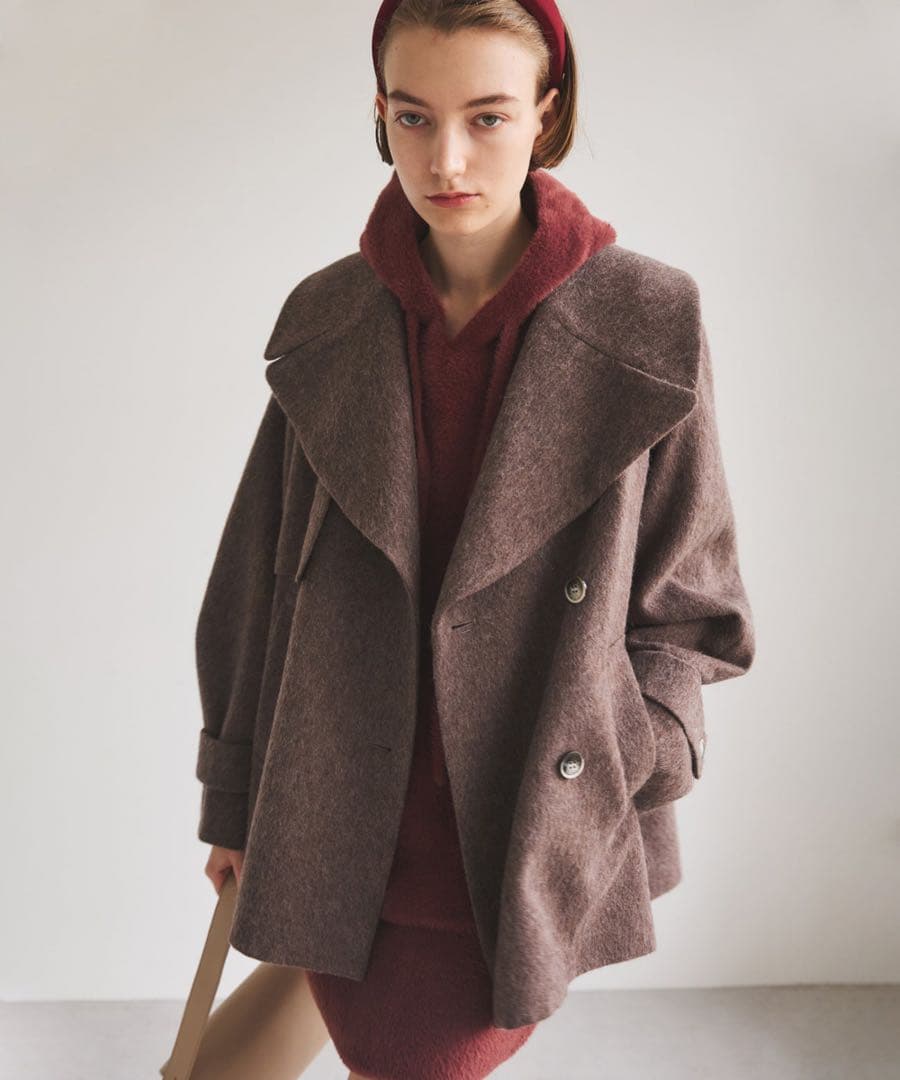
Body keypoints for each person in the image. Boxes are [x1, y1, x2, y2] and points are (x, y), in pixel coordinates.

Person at [191, 1, 755, 1078]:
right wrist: (237, 796)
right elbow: (255, 584)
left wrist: (632, 752)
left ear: (547, 113)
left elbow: (695, 604)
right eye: (413, 117)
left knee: (416, 1054)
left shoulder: (647, 318)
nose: (445, 160)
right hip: (337, 808)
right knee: (333, 998)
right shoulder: (330, 317)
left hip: (523, 818)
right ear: (381, 114)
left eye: (488, 116)